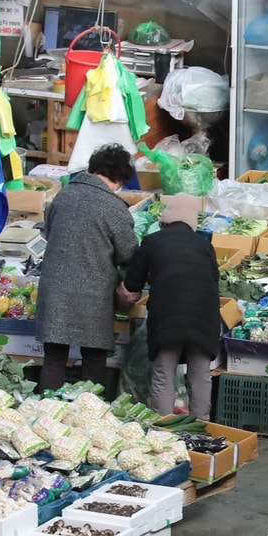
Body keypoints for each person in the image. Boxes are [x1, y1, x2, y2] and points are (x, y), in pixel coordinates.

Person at [36, 144, 139, 392]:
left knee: (54, 359)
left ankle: (45, 414)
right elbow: (129, 254)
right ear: (119, 178)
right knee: (93, 360)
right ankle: (90, 416)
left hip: (54, 289)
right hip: (93, 294)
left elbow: (49, 234)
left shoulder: (62, 196)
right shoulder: (113, 207)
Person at [123, 194, 221, 420]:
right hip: (203, 316)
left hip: (167, 315)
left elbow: (132, 285)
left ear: (167, 217)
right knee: (200, 374)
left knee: (163, 373)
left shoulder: (153, 241)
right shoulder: (204, 246)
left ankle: (163, 428)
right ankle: (201, 427)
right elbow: (214, 280)